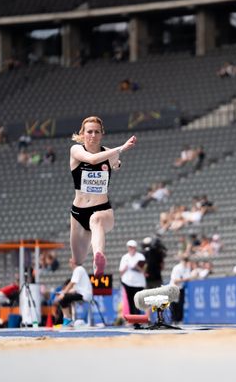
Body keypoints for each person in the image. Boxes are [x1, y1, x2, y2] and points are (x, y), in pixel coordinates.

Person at [69, 116, 137, 276]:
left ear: (101, 134)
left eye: (96, 132)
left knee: (96, 220)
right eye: (89, 131)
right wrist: (120, 149)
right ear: (83, 133)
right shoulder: (76, 150)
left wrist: (116, 163)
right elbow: (92, 160)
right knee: (77, 260)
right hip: (78, 213)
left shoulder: (109, 153)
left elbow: (115, 164)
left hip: (102, 208)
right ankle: (89, 266)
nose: (93, 135)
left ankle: (98, 259)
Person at [54, 258, 93, 327]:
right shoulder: (79, 270)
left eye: (70, 262)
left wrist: (63, 293)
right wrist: (62, 292)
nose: (69, 264)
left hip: (85, 295)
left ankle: (67, 319)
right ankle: (68, 319)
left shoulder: (78, 269)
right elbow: (75, 289)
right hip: (83, 293)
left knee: (63, 299)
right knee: (64, 298)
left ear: (73, 263)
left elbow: (72, 283)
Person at [119, 240, 147, 316]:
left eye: (133, 247)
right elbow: (121, 271)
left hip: (138, 283)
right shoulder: (125, 257)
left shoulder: (140, 256)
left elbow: (144, 270)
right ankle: (133, 319)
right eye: (130, 247)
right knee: (130, 300)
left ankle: (137, 318)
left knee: (137, 301)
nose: (132, 249)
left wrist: (137, 267)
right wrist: (126, 267)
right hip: (128, 282)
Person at [170, 256, 192, 324]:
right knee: (174, 304)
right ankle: (174, 320)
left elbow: (188, 278)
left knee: (181, 304)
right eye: (184, 260)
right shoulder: (177, 268)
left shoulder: (187, 268)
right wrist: (185, 279)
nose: (185, 262)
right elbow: (175, 281)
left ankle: (180, 320)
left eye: (186, 260)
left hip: (181, 288)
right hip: (174, 287)